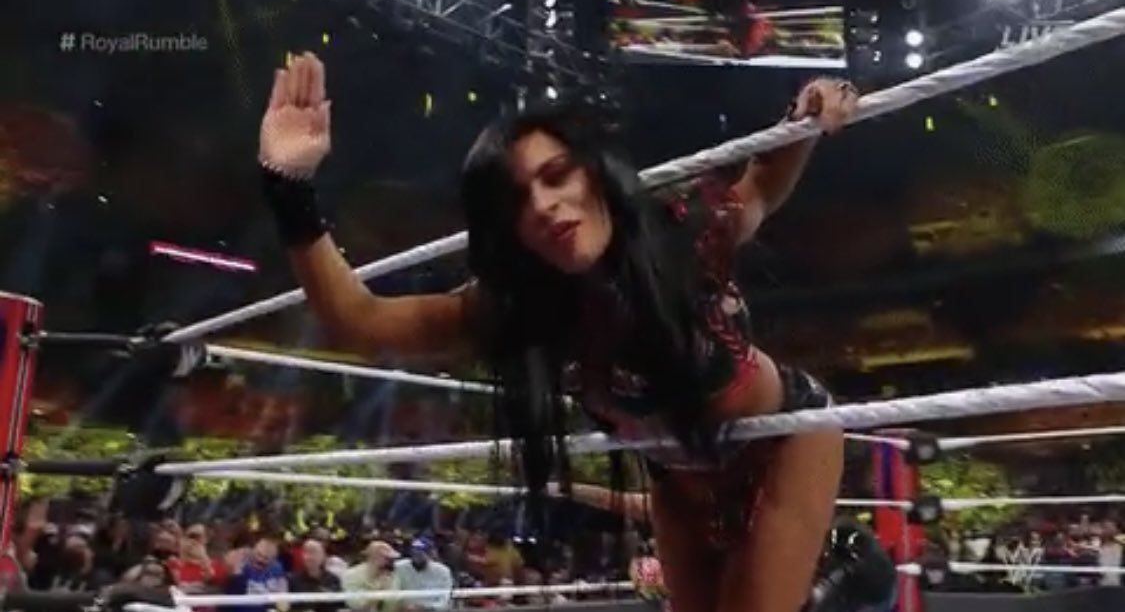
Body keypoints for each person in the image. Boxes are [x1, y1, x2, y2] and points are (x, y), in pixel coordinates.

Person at [258, 52, 857, 612]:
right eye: (518, 199)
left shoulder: (678, 230)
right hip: (679, 475)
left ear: (593, 174)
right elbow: (360, 318)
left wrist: (806, 114)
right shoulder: (513, 307)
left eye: (557, 175)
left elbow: (760, 186)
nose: (544, 205)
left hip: (783, 438)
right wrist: (289, 186)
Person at [391, 539, 453, 612]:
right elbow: (393, 591)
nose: (416, 554)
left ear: (430, 553)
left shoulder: (443, 571)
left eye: (421, 552)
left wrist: (425, 608)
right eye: (414, 551)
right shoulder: (399, 567)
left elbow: (445, 600)